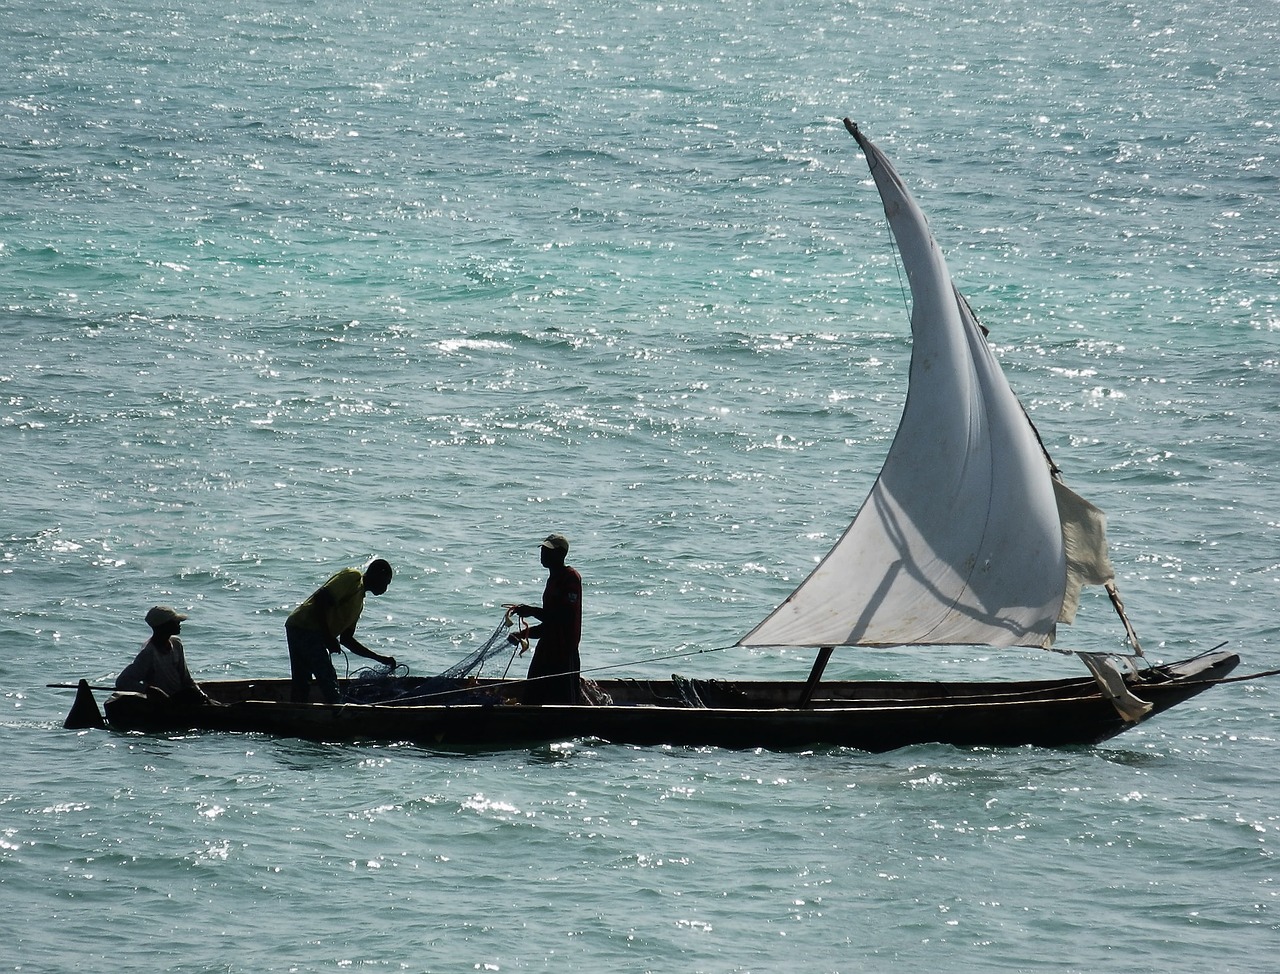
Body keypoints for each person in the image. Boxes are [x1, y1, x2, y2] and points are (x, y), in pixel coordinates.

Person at [286, 558, 396, 704]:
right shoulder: (353, 577)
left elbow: (347, 640)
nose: (385, 589)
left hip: (302, 628)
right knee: (327, 676)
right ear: (377, 574)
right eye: (386, 582)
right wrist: (327, 637)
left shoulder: (359, 603)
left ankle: (297, 712)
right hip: (304, 627)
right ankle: (338, 713)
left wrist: (379, 658)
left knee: (302, 681)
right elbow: (321, 598)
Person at [507, 533, 583, 705]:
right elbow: (549, 625)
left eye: (548, 550)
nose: (543, 553)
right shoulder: (553, 580)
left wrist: (532, 611)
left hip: (564, 654)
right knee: (532, 698)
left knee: (564, 704)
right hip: (546, 650)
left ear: (561, 554)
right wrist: (522, 634)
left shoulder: (570, 577)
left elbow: (563, 618)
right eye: (542, 549)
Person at [115, 605, 215, 706]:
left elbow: (186, 679)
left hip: (181, 697)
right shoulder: (149, 652)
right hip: (164, 703)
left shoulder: (176, 643)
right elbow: (123, 681)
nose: (179, 623)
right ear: (164, 626)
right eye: (175, 621)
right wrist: (149, 690)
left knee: (195, 695)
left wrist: (203, 696)